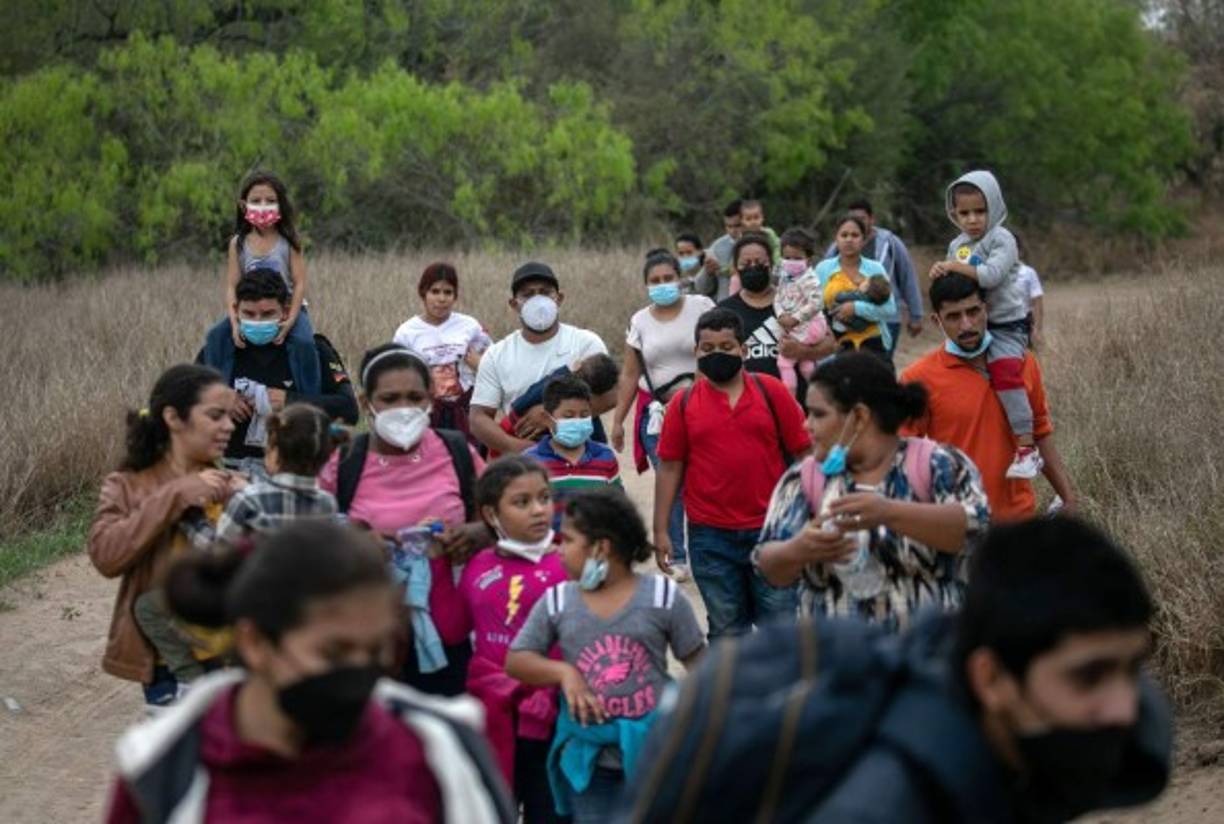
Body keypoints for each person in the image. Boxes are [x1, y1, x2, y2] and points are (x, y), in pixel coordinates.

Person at [624, 516, 1172, 824]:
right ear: (990, 680)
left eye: (1133, 668)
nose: (1125, 706)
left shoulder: (991, 686)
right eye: (1089, 678)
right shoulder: (883, 806)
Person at [102, 521, 515, 824]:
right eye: (333, 651)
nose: (358, 670)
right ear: (256, 643)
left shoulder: (439, 750)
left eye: (377, 650)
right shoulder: (164, 769)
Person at [507, 488, 706, 823]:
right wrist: (564, 673)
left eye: (568, 540)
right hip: (590, 762)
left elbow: (701, 665)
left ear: (601, 548)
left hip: (655, 755)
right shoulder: (558, 601)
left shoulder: (662, 597)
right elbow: (517, 660)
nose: (559, 550)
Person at [753, 352, 990, 632]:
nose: (807, 425)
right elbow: (768, 567)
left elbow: (974, 529)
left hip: (929, 651)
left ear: (859, 416)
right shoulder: (804, 478)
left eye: (818, 414)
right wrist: (799, 549)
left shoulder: (938, 465)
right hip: (837, 654)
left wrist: (888, 512)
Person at [318, 344, 491, 696]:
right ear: (367, 402)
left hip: (451, 635)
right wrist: (356, 544)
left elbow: (503, 515)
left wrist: (480, 533)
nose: (403, 408)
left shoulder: (457, 451)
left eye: (414, 397)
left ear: (431, 399)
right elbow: (314, 539)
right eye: (389, 399)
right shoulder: (345, 463)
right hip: (371, 640)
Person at [88, 365, 244, 706]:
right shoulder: (127, 485)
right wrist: (176, 495)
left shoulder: (232, 485)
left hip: (232, 657)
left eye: (229, 416)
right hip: (168, 669)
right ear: (173, 418)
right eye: (215, 416)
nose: (229, 426)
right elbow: (107, 557)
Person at [654, 308, 812, 640]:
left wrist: (814, 510)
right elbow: (669, 467)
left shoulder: (772, 391)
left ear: (743, 349)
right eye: (708, 348)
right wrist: (661, 529)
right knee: (727, 633)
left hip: (773, 529)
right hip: (709, 536)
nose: (717, 354)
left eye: (726, 347)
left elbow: (804, 454)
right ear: (696, 351)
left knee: (780, 630)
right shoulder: (683, 404)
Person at [902, 274, 1076, 521]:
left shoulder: (1023, 363)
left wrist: (1068, 498)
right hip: (958, 525)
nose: (966, 325)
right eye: (953, 316)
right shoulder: (918, 378)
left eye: (973, 312)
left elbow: (1040, 432)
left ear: (988, 309)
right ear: (936, 320)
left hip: (1020, 519)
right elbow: (902, 453)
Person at [458, 456, 571, 823]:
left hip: (556, 713)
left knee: (550, 809)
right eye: (522, 502)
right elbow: (453, 627)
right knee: (496, 806)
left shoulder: (571, 564)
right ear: (491, 514)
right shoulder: (478, 565)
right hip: (495, 712)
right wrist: (439, 565)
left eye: (544, 498)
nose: (539, 510)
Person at [930, 170, 1042, 479]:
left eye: (980, 211)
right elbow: (954, 283)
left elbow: (991, 276)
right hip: (975, 323)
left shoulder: (1001, 238)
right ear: (954, 214)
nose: (973, 220)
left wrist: (953, 265)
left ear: (994, 206)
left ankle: (1026, 446)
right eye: (964, 213)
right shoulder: (958, 245)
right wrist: (941, 271)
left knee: (1005, 372)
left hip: (1006, 324)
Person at [610, 250, 714, 582]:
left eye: (668, 278)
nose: (663, 284)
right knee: (672, 483)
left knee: (706, 482)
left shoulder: (702, 307)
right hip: (659, 415)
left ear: (680, 279)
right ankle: (678, 556)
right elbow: (630, 373)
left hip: (703, 408)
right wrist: (618, 420)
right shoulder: (640, 321)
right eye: (655, 281)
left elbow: (720, 348)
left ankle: (708, 553)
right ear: (646, 285)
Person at [198, 268, 358, 478]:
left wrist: (291, 401)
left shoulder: (313, 352)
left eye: (267, 314)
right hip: (233, 469)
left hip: (297, 467)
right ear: (235, 310)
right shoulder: (218, 352)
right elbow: (184, 402)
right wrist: (221, 400)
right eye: (249, 314)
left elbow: (349, 410)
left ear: (285, 310)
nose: (257, 321)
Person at [470, 262, 608, 455]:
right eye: (528, 294)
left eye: (545, 292)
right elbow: (478, 418)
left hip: (584, 457)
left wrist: (551, 415)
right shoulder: (496, 355)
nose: (538, 300)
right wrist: (517, 448)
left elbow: (612, 395)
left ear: (559, 298)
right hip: (524, 462)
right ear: (514, 304)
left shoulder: (585, 343)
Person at [209, 170, 319, 395]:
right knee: (216, 336)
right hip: (248, 310)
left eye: (270, 201)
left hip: (286, 308)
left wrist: (290, 320)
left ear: (281, 204)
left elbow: (299, 283)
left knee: (304, 342)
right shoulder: (238, 243)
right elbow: (232, 286)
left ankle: (310, 397)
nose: (263, 206)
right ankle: (218, 394)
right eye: (256, 201)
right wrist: (234, 322)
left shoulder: (289, 241)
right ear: (243, 205)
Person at [392, 261, 493, 437]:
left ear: (455, 295)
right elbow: (397, 376)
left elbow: (494, 363)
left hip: (466, 411)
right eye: (435, 291)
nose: (441, 299)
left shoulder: (470, 326)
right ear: (423, 293)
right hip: (425, 414)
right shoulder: (407, 333)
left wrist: (481, 365)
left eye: (448, 292)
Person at [214, 403, 338, 544]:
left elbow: (221, 546)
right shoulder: (327, 503)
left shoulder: (248, 500)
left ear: (275, 450)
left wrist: (196, 521)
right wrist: (251, 482)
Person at [718, 232, 833, 381]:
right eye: (745, 263)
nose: (753, 267)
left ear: (771, 264)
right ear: (735, 268)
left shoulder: (798, 298)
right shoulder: (724, 312)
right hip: (747, 393)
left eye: (759, 262)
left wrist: (803, 351)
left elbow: (830, 344)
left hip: (795, 393)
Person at [524, 374, 623, 534]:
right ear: (547, 419)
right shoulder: (530, 462)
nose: (577, 421)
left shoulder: (605, 457)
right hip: (549, 547)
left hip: (594, 546)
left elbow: (617, 507)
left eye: (584, 415)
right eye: (568, 416)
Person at [825, 198, 925, 347]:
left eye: (862, 218)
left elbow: (907, 277)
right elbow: (824, 281)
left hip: (886, 319)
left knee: (880, 360)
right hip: (848, 319)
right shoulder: (838, 247)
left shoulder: (890, 243)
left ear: (872, 219)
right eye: (853, 218)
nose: (857, 222)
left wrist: (916, 315)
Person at [492, 353, 619, 457]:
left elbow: (598, 439)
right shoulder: (555, 383)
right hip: (514, 437)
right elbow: (519, 407)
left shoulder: (561, 381)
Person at [815, 214, 895, 359]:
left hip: (873, 345)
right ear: (836, 239)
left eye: (855, 235)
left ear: (864, 240)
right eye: (844, 235)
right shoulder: (823, 269)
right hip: (834, 348)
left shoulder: (875, 269)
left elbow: (889, 309)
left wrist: (855, 308)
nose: (849, 240)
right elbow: (814, 310)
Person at [774, 227, 830, 395]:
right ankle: (820, 394)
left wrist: (795, 319)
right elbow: (778, 297)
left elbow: (817, 302)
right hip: (798, 325)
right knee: (805, 364)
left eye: (797, 258)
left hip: (811, 325)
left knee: (784, 361)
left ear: (809, 260)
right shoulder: (785, 276)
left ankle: (789, 399)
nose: (791, 262)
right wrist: (781, 315)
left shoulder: (809, 278)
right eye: (787, 257)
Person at [694, 199, 742, 302]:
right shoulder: (718, 247)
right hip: (725, 305)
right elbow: (701, 288)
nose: (733, 231)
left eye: (738, 225)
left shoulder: (766, 241)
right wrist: (707, 272)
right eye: (729, 226)